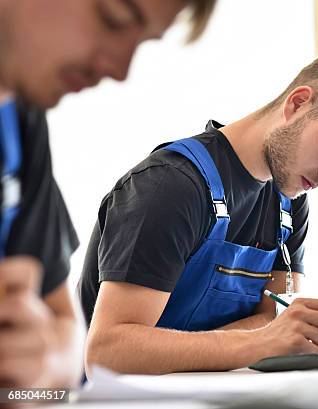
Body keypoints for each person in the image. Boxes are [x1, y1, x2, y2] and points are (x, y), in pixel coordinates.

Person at [80, 46, 318, 375]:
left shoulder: (290, 205)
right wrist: (260, 342)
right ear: (298, 104)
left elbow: (272, 317)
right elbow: (107, 352)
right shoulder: (170, 187)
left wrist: (281, 333)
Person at [0, 0, 216, 388]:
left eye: (143, 41)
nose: (119, 70)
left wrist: (40, 367)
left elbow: (67, 339)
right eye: (114, 17)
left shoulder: (19, 121)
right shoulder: (168, 181)